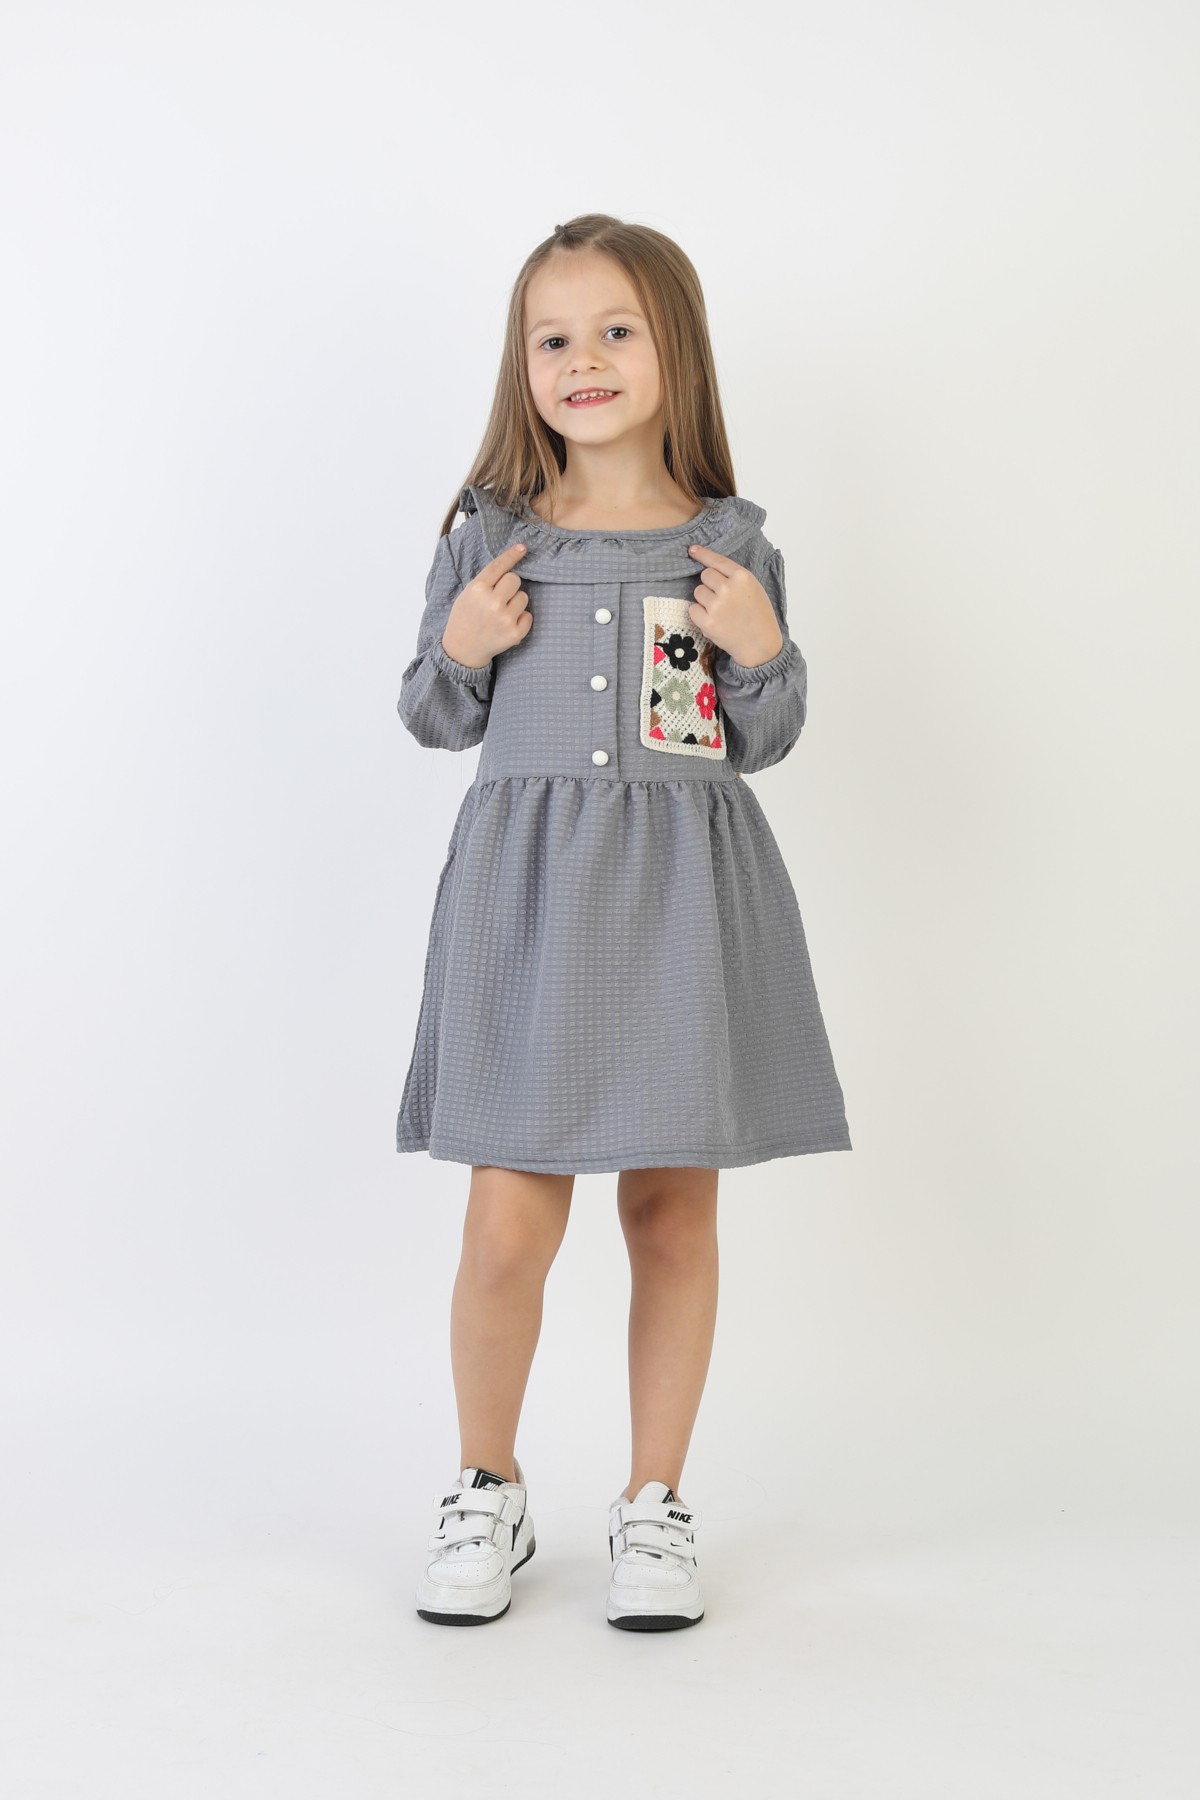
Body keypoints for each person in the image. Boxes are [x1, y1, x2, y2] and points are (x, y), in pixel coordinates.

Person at [397, 214, 852, 1631]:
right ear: (520, 362)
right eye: (554, 337)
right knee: (505, 1225)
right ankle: (488, 1483)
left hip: (678, 909)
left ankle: (655, 1502)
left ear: (675, 352)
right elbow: (433, 713)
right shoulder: (490, 539)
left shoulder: (730, 545)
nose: (582, 360)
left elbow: (759, 737)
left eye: (615, 331)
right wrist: (462, 646)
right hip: (528, 910)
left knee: (669, 1213)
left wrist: (764, 651)